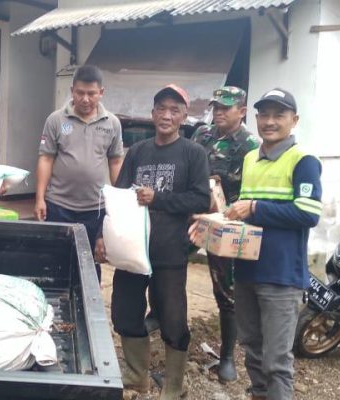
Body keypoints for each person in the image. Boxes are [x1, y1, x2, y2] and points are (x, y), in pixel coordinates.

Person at [95, 84, 210, 399]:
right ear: (152, 113)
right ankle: (136, 376)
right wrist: (103, 236)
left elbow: (201, 197)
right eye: (162, 108)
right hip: (132, 250)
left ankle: (173, 386)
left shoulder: (193, 153)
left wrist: (158, 198)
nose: (167, 115)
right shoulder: (138, 151)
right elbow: (118, 198)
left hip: (169, 251)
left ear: (183, 117)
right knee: (124, 312)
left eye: (174, 110)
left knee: (173, 319)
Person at [224, 88, 322, 400]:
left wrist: (254, 208)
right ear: (255, 119)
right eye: (264, 115)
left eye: (278, 115)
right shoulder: (251, 158)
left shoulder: (303, 161)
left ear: (294, 120)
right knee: (252, 348)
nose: (269, 121)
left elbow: (308, 213)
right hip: (247, 270)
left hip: (281, 276)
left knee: (276, 360)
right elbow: (246, 211)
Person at [189, 86, 259, 382]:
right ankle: (159, 313)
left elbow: (252, 192)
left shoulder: (251, 146)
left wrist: (226, 208)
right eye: (216, 106)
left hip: (226, 225)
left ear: (241, 111)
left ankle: (228, 356)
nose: (219, 111)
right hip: (192, 216)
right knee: (166, 261)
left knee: (225, 289)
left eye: (226, 107)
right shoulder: (201, 135)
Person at [35, 65, 124, 280]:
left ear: (101, 92)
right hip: (59, 205)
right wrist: (40, 198)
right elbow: (46, 158)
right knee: (56, 259)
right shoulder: (56, 120)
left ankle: (87, 308)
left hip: (95, 208)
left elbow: (115, 162)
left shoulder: (112, 123)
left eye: (91, 94)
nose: (85, 99)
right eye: (80, 93)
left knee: (90, 262)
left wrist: (119, 205)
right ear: (72, 90)